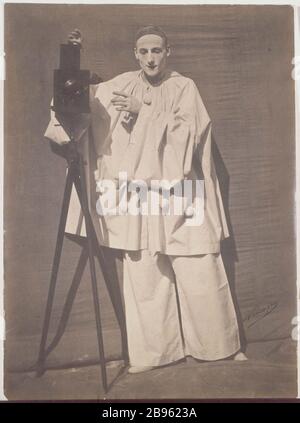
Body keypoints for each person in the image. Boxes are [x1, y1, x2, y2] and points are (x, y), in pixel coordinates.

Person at [45, 26, 247, 374]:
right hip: (140, 196)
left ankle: (220, 349)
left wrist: (144, 111)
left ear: (168, 52)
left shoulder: (184, 87)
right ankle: (155, 353)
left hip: (183, 192)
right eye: (144, 52)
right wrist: (72, 58)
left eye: (157, 50)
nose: (151, 58)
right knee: (145, 271)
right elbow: (74, 101)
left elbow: (191, 135)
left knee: (198, 264)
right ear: (135, 54)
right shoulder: (121, 84)